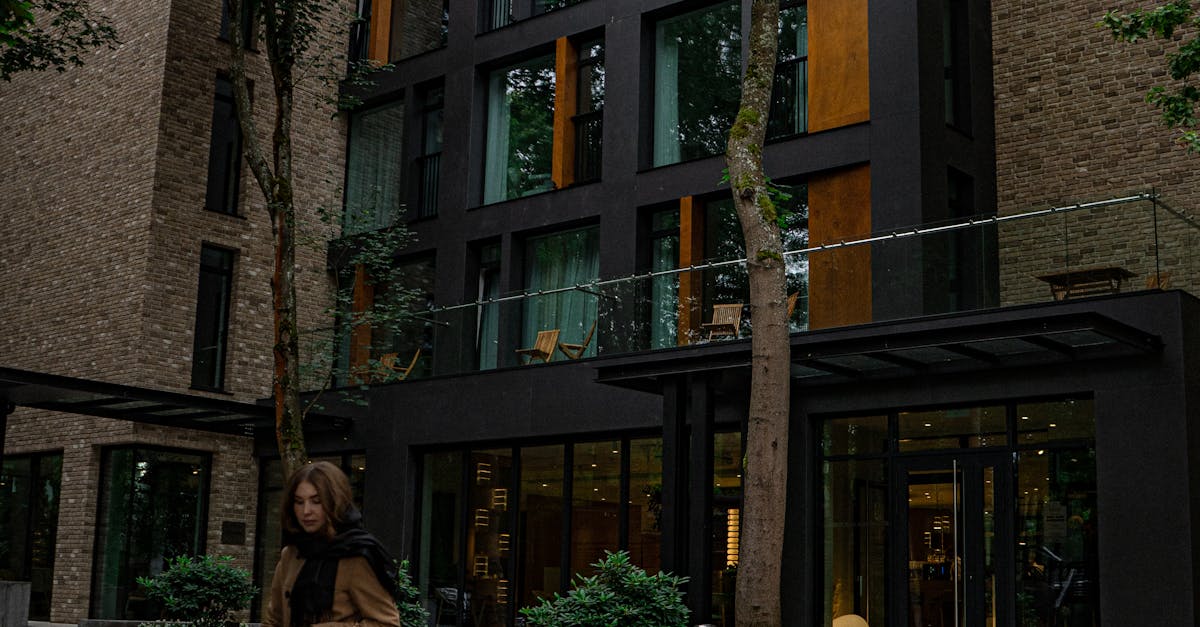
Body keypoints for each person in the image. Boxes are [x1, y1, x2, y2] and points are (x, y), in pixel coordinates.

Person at [263, 461, 401, 627]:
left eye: (316, 501)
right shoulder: (291, 554)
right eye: (299, 502)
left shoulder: (356, 555)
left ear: (335, 501)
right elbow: (274, 620)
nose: (306, 511)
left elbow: (387, 624)